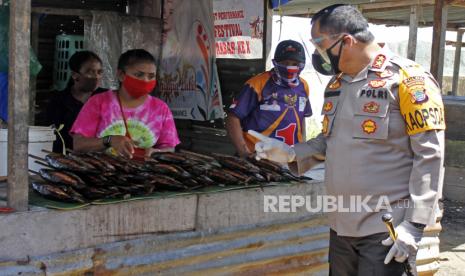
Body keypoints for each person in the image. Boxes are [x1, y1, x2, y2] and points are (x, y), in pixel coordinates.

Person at [254, 4, 445, 276]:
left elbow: (430, 156)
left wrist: (414, 226)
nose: (318, 54)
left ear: (347, 41)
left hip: (386, 230)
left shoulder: (407, 80)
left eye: (320, 44)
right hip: (341, 226)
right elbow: (329, 141)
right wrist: (290, 152)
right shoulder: (338, 85)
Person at [71, 49, 180, 159]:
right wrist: (109, 140)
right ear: (121, 75)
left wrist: (157, 152)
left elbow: (170, 147)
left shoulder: (161, 108)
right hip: (103, 173)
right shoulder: (99, 102)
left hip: (143, 173)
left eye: (151, 76)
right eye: (139, 75)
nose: (145, 80)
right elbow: (78, 145)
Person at [225, 40, 312, 158]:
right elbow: (232, 118)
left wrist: (302, 150)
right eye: (285, 62)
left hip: (288, 158)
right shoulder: (257, 84)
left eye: (295, 63)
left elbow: (301, 120)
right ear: (275, 62)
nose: (290, 67)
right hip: (257, 157)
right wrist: (244, 153)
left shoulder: (304, 86)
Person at [46, 51, 106, 153]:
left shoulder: (106, 97)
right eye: (90, 72)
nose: (96, 76)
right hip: (67, 157)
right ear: (75, 75)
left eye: (99, 72)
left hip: (102, 158)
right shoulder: (59, 101)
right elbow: (52, 135)